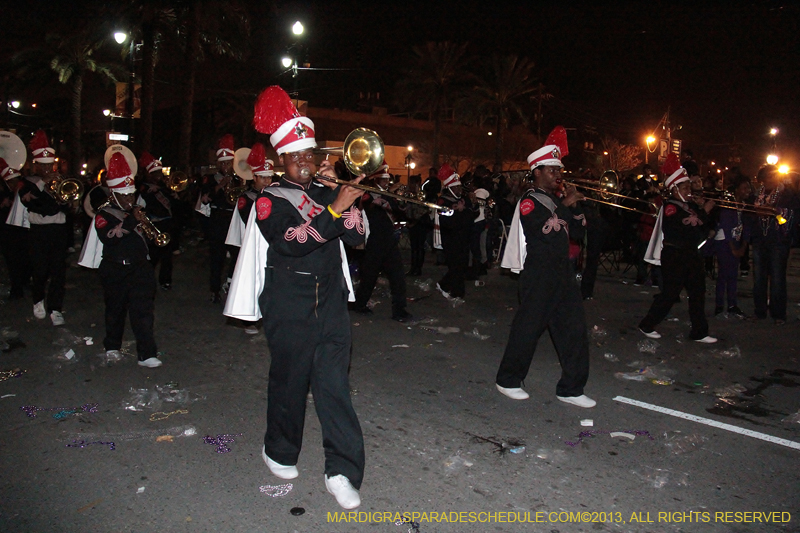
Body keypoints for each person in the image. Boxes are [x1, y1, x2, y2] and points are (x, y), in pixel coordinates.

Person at [251, 86, 366, 509]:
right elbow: (291, 241)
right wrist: (334, 208)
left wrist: (348, 201)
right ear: (282, 158)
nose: (305, 162)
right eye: (296, 155)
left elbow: (357, 237)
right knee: (290, 384)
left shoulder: (326, 189)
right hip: (289, 306)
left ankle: (342, 471)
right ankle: (279, 450)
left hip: (331, 304)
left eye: (310, 154)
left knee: (335, 388)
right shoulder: (268, 200)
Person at [495, 126, 594, 408]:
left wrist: (575, 209)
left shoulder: (555, 200)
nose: (558, 174)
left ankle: (571, 389)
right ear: (537, 171)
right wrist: (565, 205)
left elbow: (575, 233)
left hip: (563, 271)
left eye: (559, 170)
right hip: (539, 273)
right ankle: (508, 379)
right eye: (552, 170)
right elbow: (544, 231)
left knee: (574, 330)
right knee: (527, 330)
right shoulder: (529, 201)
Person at [89, 152, 163, 368]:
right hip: (115, 269)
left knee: (143, 312)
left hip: (140, 268)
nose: (130, 200)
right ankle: (112, 346)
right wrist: (132, 221)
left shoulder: (135, 211)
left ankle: (146, 354)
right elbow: (111, 237)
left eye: (131, 195)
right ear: (114, 195)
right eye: (125, 196)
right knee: (115, 310)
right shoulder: (104, 215)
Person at [639, 154, 717, 343]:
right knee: (670, 294)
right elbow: (678, 229)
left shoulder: (689, 206)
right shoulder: (670, 208)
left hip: (691, 253)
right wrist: (703, 212)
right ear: (674, 189)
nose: (689, 190)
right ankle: (647, 324)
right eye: (684, 187)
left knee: (698, 292)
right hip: (675, 254)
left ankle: (699, 331)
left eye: (689, 186)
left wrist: (704, 213)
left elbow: (704, 230)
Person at [18, 130, 69, 326]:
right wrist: (42, 186)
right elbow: (33, 205)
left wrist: (60, 202)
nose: (48, 168)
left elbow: (64, 206)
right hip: (39, 232)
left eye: (50, 165)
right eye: (44, 165)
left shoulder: (61, 182)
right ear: (36, 165)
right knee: (39, 270)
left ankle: (55, 308)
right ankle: (38, 300)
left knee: (58, 271)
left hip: (58, 231)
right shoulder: (28, 184)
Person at [351, 163, 412, 322]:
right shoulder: (369, 193)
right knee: (369, 277)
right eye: (383, 180)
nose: (387, 182)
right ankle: (359, 304)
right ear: (376, 179)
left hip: (389, 241)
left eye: (387, 180)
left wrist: (402, 203)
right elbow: (364, 208)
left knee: (398, 277)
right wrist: (375, 203)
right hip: (375, 242)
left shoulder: (388, 194)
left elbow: (397, 213)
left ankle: (399, 310)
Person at [225, 142, 274, 335]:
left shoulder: (274, 194)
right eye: (263, 178)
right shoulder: (246, 197)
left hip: (271, 244)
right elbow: (249, 220)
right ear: (254, 177)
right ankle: (249, 320)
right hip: (252, 243)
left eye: (270, 178)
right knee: (252, 280)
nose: (267, 182)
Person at [749, 165, 800, 324]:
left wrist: (777, 212)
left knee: (777, 278)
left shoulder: (787, 194)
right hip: (760, 240)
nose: (771, 181)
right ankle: (760, 310)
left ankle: (778, 314)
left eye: (773, 177)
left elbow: (791, 217)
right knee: (759, 278)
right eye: (768, 178)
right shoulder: (758, 194)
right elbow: (750, 215)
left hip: (778, 240)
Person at [199, 134, 238, 303]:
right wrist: (220, 186)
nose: (226, 165)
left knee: (237, 255)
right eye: (222, 162)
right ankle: (214, 290)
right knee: (217, 258)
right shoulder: (209, 178)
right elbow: (205, 197)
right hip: (217, 219)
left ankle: (230, 283)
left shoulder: (239, 178)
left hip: (233, 219)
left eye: (228, 162)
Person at [435, 164, 476, 300]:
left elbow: (472, 215)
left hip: (463, 238)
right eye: (456, 187)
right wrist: (461, 212)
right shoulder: (443, 201)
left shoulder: (462, 199)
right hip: (451, 239)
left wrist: (469, 208)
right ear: (450, 188)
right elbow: (449, 222)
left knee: (461, 266)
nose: (460, 189)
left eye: (459, 186)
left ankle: (446, 285)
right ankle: (456, 292)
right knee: (455, 266)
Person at [712, 175, 752, 317]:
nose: (747, 190)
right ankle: (720, 304)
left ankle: (732, 304)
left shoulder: (745, 206)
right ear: (736, 190)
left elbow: (747, 229)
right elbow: (726, 226)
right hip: (724, 240)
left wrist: (743, 247)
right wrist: (734, 248)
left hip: (735, 240)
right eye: (744, 188)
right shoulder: (728, 204)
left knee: (733, 274)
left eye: (748, 188)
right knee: (724, 273)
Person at [137, 152, 175, 290]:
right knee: (152, 256)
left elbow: (173, 205)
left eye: (159, 173)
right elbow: (139, 207)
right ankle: (148, 280)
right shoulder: (143, 189)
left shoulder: (164, 188)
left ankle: (165, 280)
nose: (159, 176)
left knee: (167, 256)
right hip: (154, 224)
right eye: (156, 174)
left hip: (166, 224)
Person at [0, 158, 30, 300]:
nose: (14, 184)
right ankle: (16, 288)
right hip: (7, 234)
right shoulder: (4, 193)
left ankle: (24, 282)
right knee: (12, 261)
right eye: (11, 181)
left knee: (24, 258)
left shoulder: (23, 190)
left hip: (23, 232)